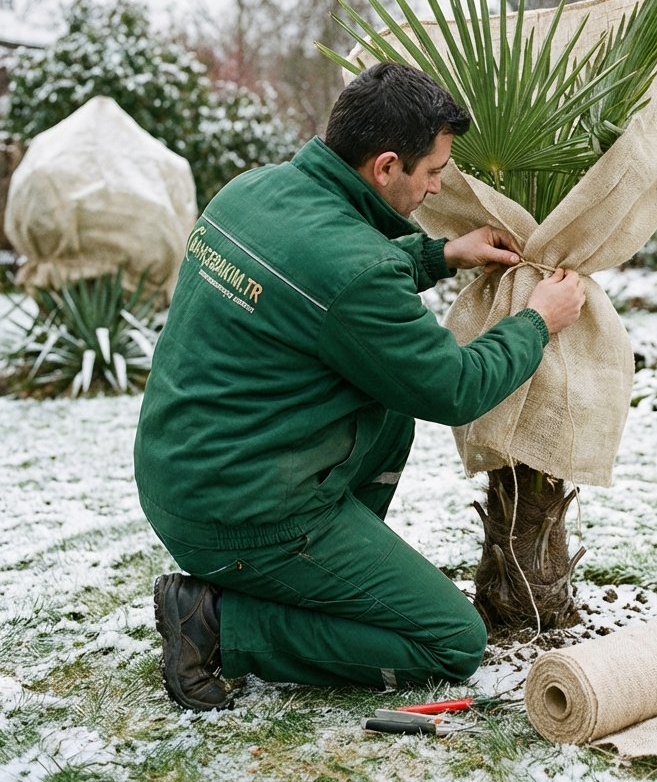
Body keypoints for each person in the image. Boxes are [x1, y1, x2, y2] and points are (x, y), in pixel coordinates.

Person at [134, 61, 586, 712]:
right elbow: (452, 386)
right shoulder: (355, 269)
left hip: (181, 477)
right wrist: (538, 320)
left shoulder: (251, 192)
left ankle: (298, 583)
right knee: (450, 641)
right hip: (240, 518)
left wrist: (440, 254)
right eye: (432, 173)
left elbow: (323, 269)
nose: (436, 189)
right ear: (385, 167)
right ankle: (215, 622)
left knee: (381, 411)